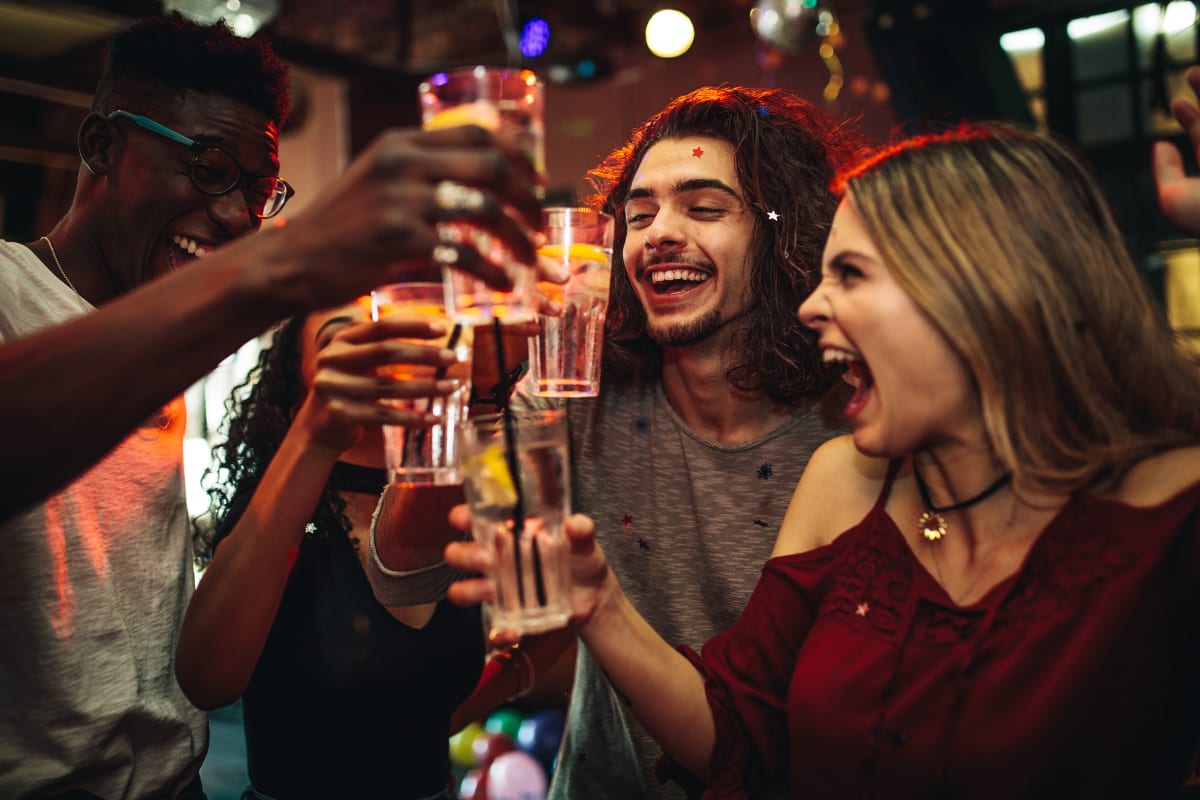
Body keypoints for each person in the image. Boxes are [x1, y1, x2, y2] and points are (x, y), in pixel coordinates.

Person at [450, 121, 1200, 796]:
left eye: (852, 275)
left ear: (985, 289)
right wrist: (474, 385)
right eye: (637, 216)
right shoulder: (845, 476)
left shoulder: (1166, 519)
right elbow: (744, 732)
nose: (817, 304)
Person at [0, 13, 544, 799]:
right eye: (211, 168)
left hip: (172, 781)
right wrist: (285, 259)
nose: (235, 217)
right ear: (101, 147)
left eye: (260, 192)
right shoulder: (12, 292)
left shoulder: (172, 331)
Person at [452, 86, 867, 798]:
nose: (657, 235)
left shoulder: (857, 424)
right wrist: (481, 381)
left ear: (784, 234)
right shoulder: (577, 395)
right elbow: (480, 507)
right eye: (638, 216)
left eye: (704, 208)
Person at [177, 301, 536, 799]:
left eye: (390, 331)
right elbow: (206, 679)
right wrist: (317, 433)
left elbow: (551, 595)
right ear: (300, 386)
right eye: (342, 340)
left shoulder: (461, 490)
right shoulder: (279, 512)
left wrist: (486, 386)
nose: (377, 350)